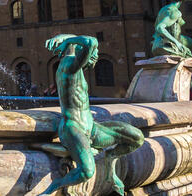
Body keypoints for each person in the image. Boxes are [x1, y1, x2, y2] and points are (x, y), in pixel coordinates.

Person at [39, 35, 144, 196]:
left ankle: (110, 161)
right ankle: (52, 189)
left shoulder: (76, 68)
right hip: (73, 128)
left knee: (137, 137)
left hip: (91, 127)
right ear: (81, 52)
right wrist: (68, 41)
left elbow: (89, 43)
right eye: (93, 54)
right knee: (87, 171)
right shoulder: (69, 65)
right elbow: (90, 42)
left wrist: (67, 38)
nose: (95, 57)